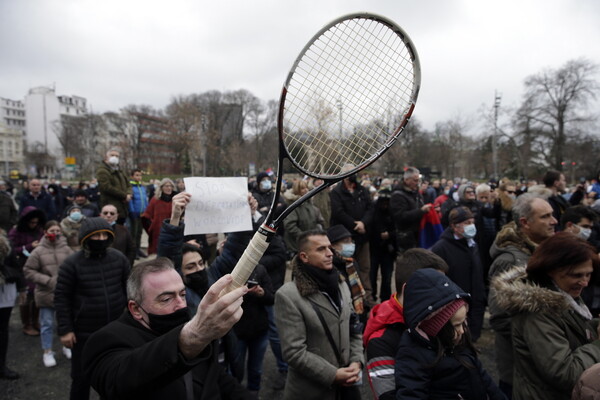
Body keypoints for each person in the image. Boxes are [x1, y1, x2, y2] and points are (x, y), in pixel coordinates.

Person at [82, 258, 253, 399]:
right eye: (166, 299)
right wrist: (191, 338)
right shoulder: (106, 339)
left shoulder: (192, 325)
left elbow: (216, 378)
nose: (180, 304)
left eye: (183, 294)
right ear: (135, 309)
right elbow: (119, 381)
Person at [492, 233, 600, 400]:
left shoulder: (563, 292)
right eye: (577, 275)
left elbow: (571, 330)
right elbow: (565, 373)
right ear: (551, 271)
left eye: (588, 274)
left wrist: (594, 326)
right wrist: (598, 345)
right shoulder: (539, 311)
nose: (585, 282)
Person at [274, 229, 364, 400]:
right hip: (312, 391)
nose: (330, 253)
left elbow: (354, 327)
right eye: (321, 249)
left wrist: (356, 361)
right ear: (304, 256)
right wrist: (333, 374)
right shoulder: (288, 296)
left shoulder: (341, 284)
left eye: (329, 248)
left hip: (347, 388)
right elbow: (294, 352)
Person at [394, 268, 505, 400]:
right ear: (435, 327)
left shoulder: (459, 340)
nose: (463, 330)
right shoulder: (413, 354)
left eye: (464, 322)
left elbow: (484, 379)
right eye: (457, 325)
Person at [487, 193, 557, 398]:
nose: (554, 221)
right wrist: (542, 341)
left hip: (541, 364)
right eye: (545, 216)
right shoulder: (510, 260)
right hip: (520, 369)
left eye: (552, 215)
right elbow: (500, 318)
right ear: (525, 223)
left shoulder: (541, 252)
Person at [54, 217, 130, 400]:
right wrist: (65, 330)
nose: (101, 239)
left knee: (115, 376)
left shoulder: (119, 259)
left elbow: (130, 290)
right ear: (86, 238)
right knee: (81, 378)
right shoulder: (71, 264)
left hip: (115, 329)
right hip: (84, 333)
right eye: (96, 236)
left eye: (105, 235)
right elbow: (61, 298)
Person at [364, 249, 448, 400]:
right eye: (436, 286)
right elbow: (388, 396)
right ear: (409, 289)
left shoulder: (439, 317)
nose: (444, 293)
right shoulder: (380, 341)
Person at [430, 207, 486, 341]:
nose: (471, 226)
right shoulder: (441, 248)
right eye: (467, 223)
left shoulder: (472, 243)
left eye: (472, 222)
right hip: (455, 306)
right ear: (454, 226)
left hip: (475, 300)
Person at [23, 220, 74, 367]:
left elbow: (74, 266)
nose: (55, 233)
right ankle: (47, 351)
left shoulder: (66, 249)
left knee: (65, 321)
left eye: (58, 231)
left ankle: (67, 346)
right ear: (45, 232)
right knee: (47, 324)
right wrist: (47, 280)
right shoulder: (38, 251)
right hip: (46, 293)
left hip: (65, 293)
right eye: (52, 230)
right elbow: (28, 271)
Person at [330, 164, 374, 306]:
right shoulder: (337, 192)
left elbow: (370, 208)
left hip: (363, 236)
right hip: (345, 237)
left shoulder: (362, 190)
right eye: (350, 172)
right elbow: (338, 212)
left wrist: (363, 223)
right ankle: (349, 298)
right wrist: (355, 225)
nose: (354, 174)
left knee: (365, 267)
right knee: (348, 267)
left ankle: (366, 297)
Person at [8, 206, 46, 336]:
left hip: (37, 266)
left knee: (36, 295)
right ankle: (26, 324)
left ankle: (35, 321)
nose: (33, 225)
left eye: (36, 222)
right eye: (31, 222)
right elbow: (11, 249)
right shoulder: (16, 232)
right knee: (26, 296)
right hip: (22, 267)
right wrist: (29, 247)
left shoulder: (39, 231)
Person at [390, 167, 432, 253]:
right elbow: (400, 216)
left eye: (418, 180)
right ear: (406, 180)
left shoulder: (417, 193)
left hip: (418, 234)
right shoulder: (397, 195)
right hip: (405, 238)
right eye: (415, 180)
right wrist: (421, 211)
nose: (417, 183)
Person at [0, 229, 23, 379]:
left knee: (2, 330)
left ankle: (1, 365)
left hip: (4, 291)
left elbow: (15, 266)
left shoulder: (5, 241)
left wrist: (22, 288)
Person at [368, 188, 396, 303]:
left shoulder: (392, 211)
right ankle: (373, 295)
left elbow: (397, 229)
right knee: (372, 276)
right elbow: (370, 226)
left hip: (388, 250)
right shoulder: (373, 211)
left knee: (387, 277)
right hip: (374, 248)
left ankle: (385, 298)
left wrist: (389, 234)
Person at [283, 179, 322, 258]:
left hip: (311, 241)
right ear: (297, 190)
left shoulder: (309, 203)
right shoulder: (293, 205)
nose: (306, 190)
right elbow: (290, 225)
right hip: (297, 245)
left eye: (306, 188)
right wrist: (304, 237)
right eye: (303, 188)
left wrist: (318, 229)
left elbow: (318, 220)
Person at [97, 148, 131, 225]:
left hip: (122, 207)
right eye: (112, 155)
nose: (115, 157)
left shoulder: (120, 171)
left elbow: (128, 184)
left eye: (117, 156)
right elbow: (106, 187)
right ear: (106, 157)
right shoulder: (102, 170)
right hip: (110, 206)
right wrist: (124, 196)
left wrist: (129, 194)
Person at [142, 177, 175, 255]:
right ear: (161, 187)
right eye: (166, 186)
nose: (169, 188)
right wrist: (151, 229)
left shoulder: (175, 200)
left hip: (172, 231)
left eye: (171, 186)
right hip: (158, 232)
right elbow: (145, 216)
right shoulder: (155, 200)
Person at [128, 169, 148, 259]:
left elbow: (145, 200)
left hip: (142, 213)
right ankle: (133, 251)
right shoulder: (131, 187)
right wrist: (132, 211)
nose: (139, 177)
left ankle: (138, 249)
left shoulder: (142, 187)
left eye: (140, 175)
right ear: (132, 176)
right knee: (134, 233)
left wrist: (147, 210)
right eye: (136, 175)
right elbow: (130, 201)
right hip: (134, 213)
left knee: (139, 232)